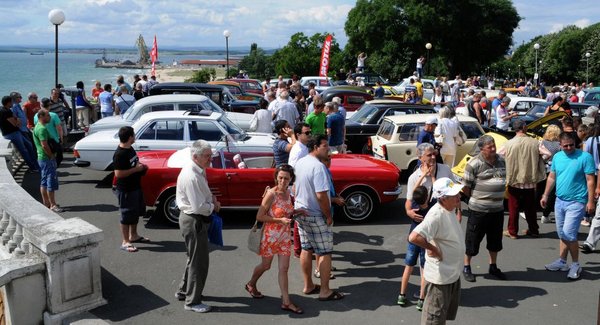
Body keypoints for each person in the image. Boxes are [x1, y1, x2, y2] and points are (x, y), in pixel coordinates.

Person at [245, 164, 304, 314]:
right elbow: (259, 216)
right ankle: (251, 284)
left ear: (291, 179)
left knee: (284, 269)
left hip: (284, 237)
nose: (283, 181)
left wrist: (298, 211)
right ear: (276, 177)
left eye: (286, 178)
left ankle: (286, 302)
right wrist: (280, 221)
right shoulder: (271, 194)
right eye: (280, 178)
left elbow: (287, 212)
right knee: (266, 266)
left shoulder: (288, 193)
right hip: (270, 237)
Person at [408, 177, 465, 325]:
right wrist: (433, 249)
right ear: (443, 198)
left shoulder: (449, 208)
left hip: (451, 275)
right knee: (433, 320)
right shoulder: (436, 215)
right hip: (440, 279)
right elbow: (414, 237)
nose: (459, 196)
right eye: (455, 195)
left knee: (441, 318)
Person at [294, 134, 344, 301]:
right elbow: (322, 195)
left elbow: (294, 188)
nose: (328, 149)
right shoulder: (319, 167)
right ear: (315, 147)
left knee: (306, 249)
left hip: (300, 213)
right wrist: (328, 216)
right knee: (325, 252)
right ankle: (325, 291)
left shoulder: (300, 162)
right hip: (315, 214)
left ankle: (308, 285)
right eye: (325, 146)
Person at [540, 132, 595, 280]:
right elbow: (552, 177)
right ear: (560, 145)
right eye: (566, 146)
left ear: (575, 143)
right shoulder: (558, 157)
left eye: (571, 145)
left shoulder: (585, 157)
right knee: (562, 233)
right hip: (560, 201)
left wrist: (590, 201)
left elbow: (590, 180)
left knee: (569, 234)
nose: (569, 148)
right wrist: (545, 195)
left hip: (577, 202)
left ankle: (575, 264)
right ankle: (562, 261)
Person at [175, 140, 220, 313]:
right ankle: (192, 301)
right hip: (195, 220)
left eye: (210, 155)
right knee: (199, 262)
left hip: (193, 220)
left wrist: (211, 201)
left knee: (193, 259)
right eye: (207, 156)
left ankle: (184, 291)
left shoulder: (196, 170)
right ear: (195, 156)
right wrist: (214, 206)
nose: (211, 159)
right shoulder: (192, 176)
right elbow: (198, 206)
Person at [462, 135, 508, 282]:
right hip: (478, 211)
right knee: (472, 240)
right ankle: (467, 266)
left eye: (494, 146)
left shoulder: (502, 161)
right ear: (482, 149)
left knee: (495, 241)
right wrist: (478, 199)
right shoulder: (474, 164)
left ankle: (493, 266)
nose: (493, 149)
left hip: (497, 210)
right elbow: (466, 188)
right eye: (490, 147)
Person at [501, 119, 546, 239]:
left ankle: (512, 231)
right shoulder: (535, 142)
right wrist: (539, 160)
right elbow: (547, 154)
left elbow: (499, 155)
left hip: (514, 179)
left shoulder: (509, 143)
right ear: (524, 127)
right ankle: (534, 230)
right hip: (530, 179)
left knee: (513, 207)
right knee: (530, 207)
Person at [112, 126, 150, 253]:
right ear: (129, 137)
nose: (135, 137)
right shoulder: (119, 154)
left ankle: (133, 235)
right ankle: (125, 241)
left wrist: (141, 167)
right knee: (126, 215)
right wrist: (136, 169)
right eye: (133, 135)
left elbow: (134, 163)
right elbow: (118, 174)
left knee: (135, 213)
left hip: (135, 187)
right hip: (126, 190)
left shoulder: (130, 148)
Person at [398, 185, 430, 311]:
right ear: (427, 197)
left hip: (412, 240)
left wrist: (422, 176)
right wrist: (431, 178)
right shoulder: (430, 208)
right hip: (424, 241)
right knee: (423, 271)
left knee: (408, 268)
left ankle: (402, 295)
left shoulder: (414, 207)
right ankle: (421, 300)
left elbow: (413, 193)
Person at [32, 109, 63, 213]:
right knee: (51, 181)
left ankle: (46, 203)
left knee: (44, 181)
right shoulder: (42, 129)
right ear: (41, 116)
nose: (49, 117)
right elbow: (44, 145)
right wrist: (51, 156)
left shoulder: (37, 127)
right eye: (47, 115)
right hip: (46, 158)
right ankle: (53, 204)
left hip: (41, 158)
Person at [0, 96, 38, 171]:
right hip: (11, 134)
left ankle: (35, 164)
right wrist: (18, 120)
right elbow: (15, 124)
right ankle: (33, 167)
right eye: (11, 102)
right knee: (24, 150)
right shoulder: (5, 111)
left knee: (29, 145)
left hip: (16, 132)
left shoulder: (8, 110)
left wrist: (17, 120)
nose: (12, 103)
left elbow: (16, 119)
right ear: (8, 103)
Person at [538, 125, 562, 224]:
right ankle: (546, 214)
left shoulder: (542, 142)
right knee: (551, 193)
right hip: (554, 170)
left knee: (539, 190)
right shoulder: (559, 145)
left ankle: (533, 211)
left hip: (542, 169)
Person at [35, 98, 64, 166]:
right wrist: (61, 138)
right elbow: (59, 128)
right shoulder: (53, 115)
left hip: (41, 143)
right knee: (58, 157)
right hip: (54, 141)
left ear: (41, 105)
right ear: (49, 105)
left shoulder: (36, 116)